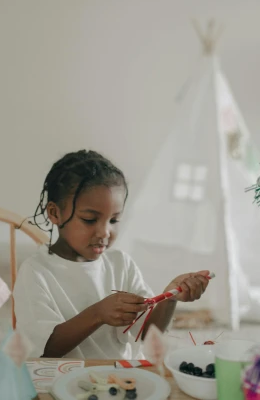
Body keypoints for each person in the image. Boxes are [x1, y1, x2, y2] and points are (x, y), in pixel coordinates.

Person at [14, 150, 211, 359]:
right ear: (55, 213)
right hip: (61, 382)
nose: (105, 232)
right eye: (90, 219)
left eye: (114, 220)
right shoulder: (35, 272)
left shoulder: (121, 265)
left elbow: (146, 334)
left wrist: (170, 298)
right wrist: (98, 314)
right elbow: (45, 348)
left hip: (117, 379)